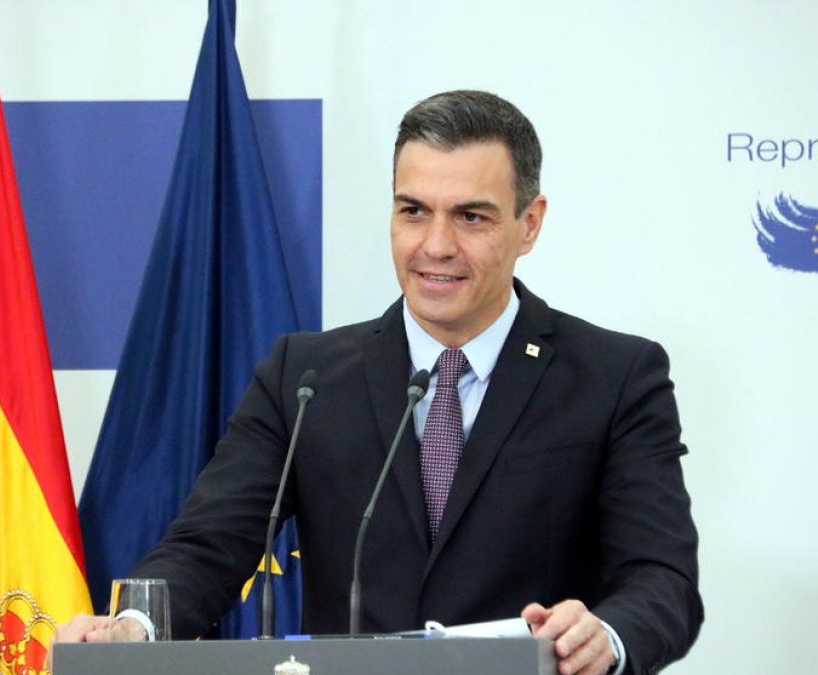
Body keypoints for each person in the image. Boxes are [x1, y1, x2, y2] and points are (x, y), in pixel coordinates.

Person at [58, 90, 703, 675]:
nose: (436, 245)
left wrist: (606, 636)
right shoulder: (304, 377)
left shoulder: (615, 376)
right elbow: (212, 543)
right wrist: (135, 628)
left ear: (528, 223)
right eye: (414, 211)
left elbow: (660, 576)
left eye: (471, 217)